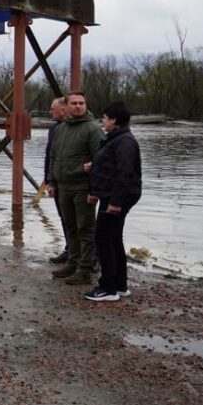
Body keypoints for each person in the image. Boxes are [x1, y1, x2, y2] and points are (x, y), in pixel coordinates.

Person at [82, 102, 142, 302]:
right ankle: (119, 284)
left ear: (114, 120)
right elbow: (110, 166)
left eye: (105, 118)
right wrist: (94, 169)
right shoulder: (113, 139)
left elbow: (125, 173)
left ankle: (108, 288)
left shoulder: (124, 141)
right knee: (114, 239)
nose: (103, 121)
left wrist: (115, 202)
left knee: (103, 239)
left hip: (117, 198)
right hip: (109, 195)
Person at [47, 91, 102, 286]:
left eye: (82, 103)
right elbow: (54, 157)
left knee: (85, 228)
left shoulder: (93, 129)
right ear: (67, 107)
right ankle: (73, 262)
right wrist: (51, 182)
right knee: (70, 226)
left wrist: (94, 190)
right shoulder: (61, 129)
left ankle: (85, 269)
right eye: (75, 103)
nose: (78, 106)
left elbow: (100, 160)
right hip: (63, 185)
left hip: (82, 186)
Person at [45, 97, 70, 264]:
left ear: (62, 110)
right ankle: (70, 249)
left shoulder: (76, 129)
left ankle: (91, 255)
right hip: (57, 180)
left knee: (81, 221)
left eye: (53, 109)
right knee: (64, 216)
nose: (50, 112)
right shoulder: (54, 129)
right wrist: (48, 180)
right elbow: (50, 156)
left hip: (73, 181)